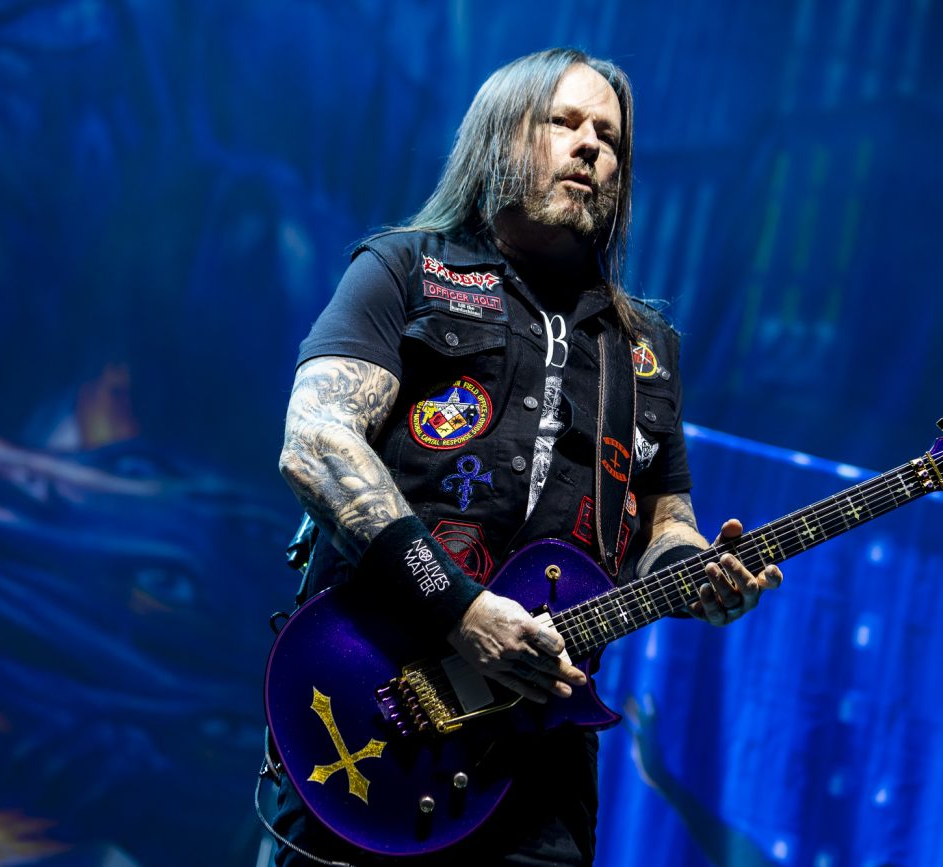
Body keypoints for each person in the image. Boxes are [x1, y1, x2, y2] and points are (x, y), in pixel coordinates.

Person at [270, 47, 782, 866]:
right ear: (502, 137)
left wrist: (700, 574)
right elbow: (317, 444)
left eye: (609, 138)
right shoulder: (405, 269)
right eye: (564, 123)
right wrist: (462, 611)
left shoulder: (645, 347)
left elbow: (665, 526)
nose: (590, 147)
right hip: (372, 709)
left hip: (540, 769)